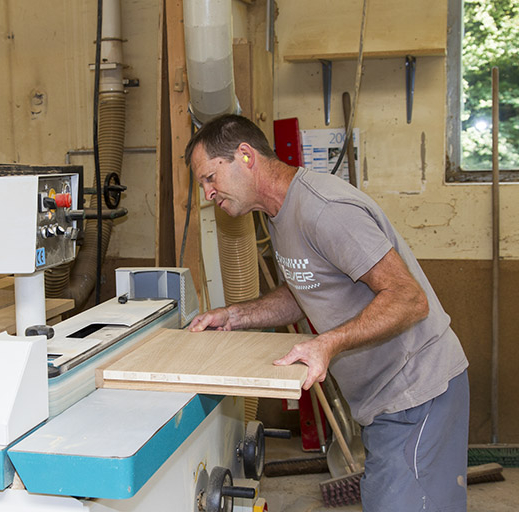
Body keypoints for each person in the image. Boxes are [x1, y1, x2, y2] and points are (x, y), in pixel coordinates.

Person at [185, 114, 469, 511]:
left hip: (418, 391)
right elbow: (306, 290)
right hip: (381, 399)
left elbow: (408, 298)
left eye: (209, 178)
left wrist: (328, 343)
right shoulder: (280, 217)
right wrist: (233, 316)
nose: (208, 193)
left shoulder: (324, 208)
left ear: (245, 156)